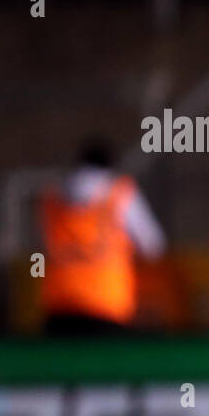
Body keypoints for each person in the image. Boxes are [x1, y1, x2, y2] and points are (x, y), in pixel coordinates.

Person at [38, 140, 166, 336]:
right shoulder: (120, 193)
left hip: (58, 305)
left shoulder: (52, 197)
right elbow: (153, 245)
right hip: (105, 305)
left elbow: (37, 255)